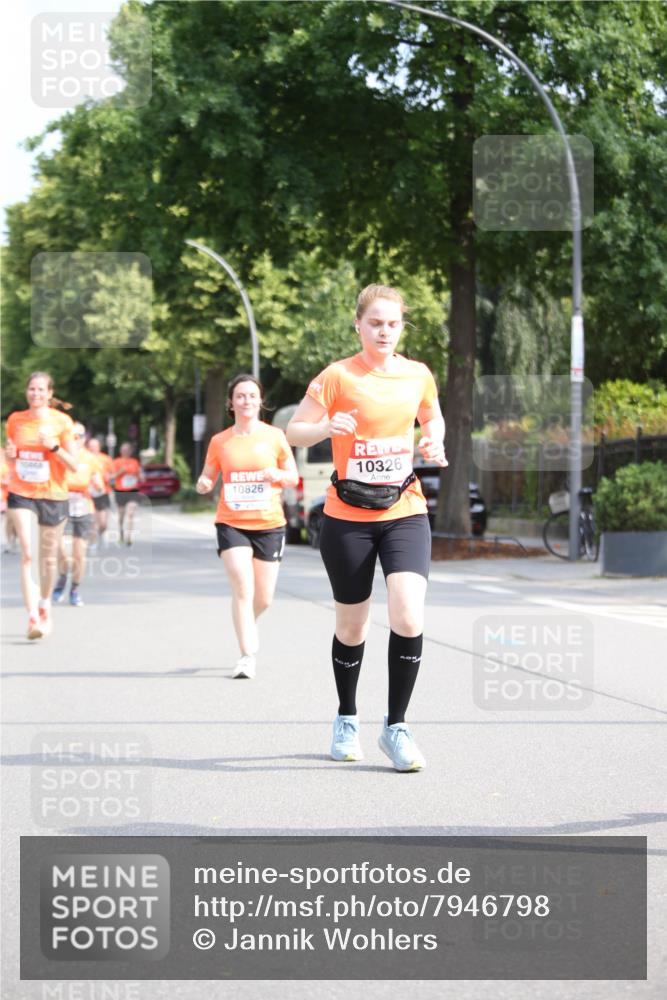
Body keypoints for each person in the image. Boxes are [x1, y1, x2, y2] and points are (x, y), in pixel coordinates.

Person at [287, 284, 446, 772]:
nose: (384, 330)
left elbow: (432, 418)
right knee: (353, 625)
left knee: (408, 615)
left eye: (393, 323)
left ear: (402, 327)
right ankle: (346, 716)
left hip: (404, 508)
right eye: (375, 322)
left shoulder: (417, 375)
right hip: (347, 517)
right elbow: (294, 430)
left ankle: (396, 726)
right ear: (359, 325)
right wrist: (325, 429)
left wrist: (432, 442)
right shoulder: (337, 377)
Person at [196, 373, 298, 679]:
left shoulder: (275, 436)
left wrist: (275, 475)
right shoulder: (220, 441)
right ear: (231, 402)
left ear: (259, 400)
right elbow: (207, 476)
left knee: (263, 597)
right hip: (232, 522)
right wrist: (202, 483)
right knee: (243, 586)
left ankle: (244, 624)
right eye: (240, 396)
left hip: (269, 523)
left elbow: (292, 476)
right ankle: (246, 655)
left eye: (252, 396)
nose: (246, 401)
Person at [5, 371, 78, 639]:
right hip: (22, 492)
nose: (35, 394)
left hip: (53, 495)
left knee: (47, 559)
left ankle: (45, 604)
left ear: (49, 394)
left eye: (40, 390)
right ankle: (32, 617)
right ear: (27, 392)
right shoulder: (15, 420)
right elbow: (12, 459)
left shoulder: (63, 422)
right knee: (27, 553)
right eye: (31, 389)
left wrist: (55, 447)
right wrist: (11, 457)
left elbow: (74, 464)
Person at [52, 423, 101, 607]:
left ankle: (74, 589)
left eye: (79, 436)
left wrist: (97, 485)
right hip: (61, 505)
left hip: (83, 507)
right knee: (62, 551)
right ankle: (63, 576)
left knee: (80, 554)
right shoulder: (59, 456)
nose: (76, 439)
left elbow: (97, 481)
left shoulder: (90, 458)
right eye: (72, 435)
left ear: (85, 438)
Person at [111, 442, 143, 545]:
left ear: (130, 451)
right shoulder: (116, 462)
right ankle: (121, 534)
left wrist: (141, 476)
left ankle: (129, 537)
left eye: (126, 450)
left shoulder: (135, 462)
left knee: (130, 513)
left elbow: (139, 475)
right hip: (120, 491)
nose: (124, 452)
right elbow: (111, 477)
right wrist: (120, 472)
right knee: (121, 515)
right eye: (122, 450)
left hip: (132, 491)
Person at [85, 437, 113, 548]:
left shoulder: (106, 459)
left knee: (103, 523)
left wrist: (108, 477)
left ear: (99, 447)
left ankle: (102, 533)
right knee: (93, 520)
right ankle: (93, 541)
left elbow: (112, 474)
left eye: (95, 446)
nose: (93, 448)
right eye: (90, 446)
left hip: (102, 492)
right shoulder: (84, 458)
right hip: (88, 493)